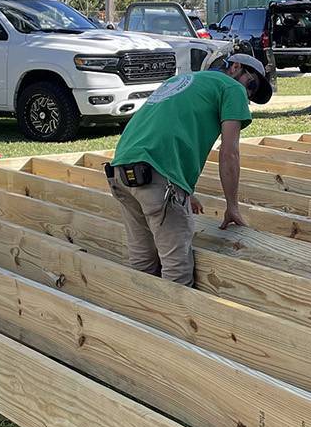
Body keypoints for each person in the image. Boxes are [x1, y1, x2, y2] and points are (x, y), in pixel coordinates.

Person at [107, 53, 272, 285]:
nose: (248, 96)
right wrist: (232, 206)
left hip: (122, 173)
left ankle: (141, 316)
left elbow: (165, 130)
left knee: (142, 262)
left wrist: (186, 189)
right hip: (157, 179)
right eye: (251, 85)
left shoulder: (181, 81)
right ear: (235, 67)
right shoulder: (232, 88)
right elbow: (229, 153)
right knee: (177, 271)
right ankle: (170, 321)